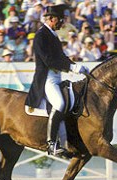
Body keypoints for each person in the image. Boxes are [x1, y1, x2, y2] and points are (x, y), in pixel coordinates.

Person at [25, 4, 89, 157]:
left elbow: (60, 58)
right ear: (52, 19)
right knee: (59, 103)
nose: (63, 23)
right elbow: (48, 60)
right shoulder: (41, 35)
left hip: (57, 76)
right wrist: (72, 68)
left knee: (70, 102)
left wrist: (74, 65)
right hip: (47, 78)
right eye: (60, 20)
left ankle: (68, 141)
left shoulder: (53, 35)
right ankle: (51, 144)